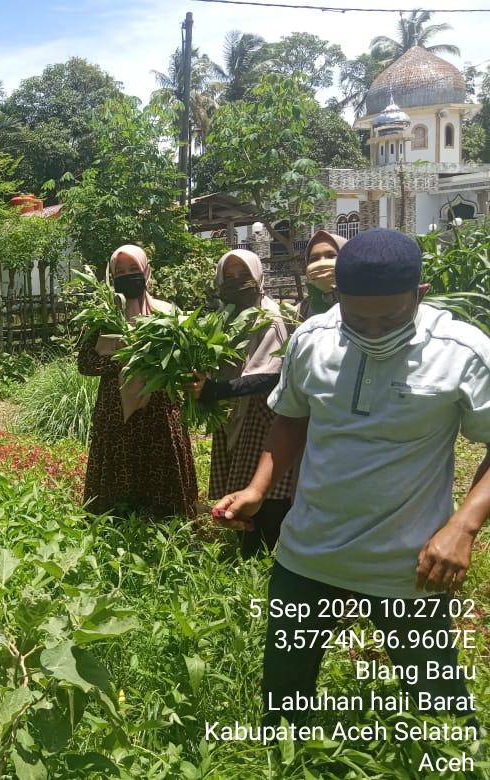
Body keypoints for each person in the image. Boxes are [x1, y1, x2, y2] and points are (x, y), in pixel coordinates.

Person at [214, 228, 490, 728]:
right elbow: (291, 418)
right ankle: (289, 758)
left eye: (390, 317)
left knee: (443, 710)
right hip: (307, 554)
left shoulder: (462, 351)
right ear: (337, 294)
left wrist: (463, 527)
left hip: (407, 568)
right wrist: (257, 489)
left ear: (420, 294)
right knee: (284, 701)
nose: (374, 331)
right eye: (358, 317)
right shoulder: (311, 339)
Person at [77, 244, 198, 518]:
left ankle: (166, 519)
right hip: (115, 408)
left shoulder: (166, 313)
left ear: (146, 271)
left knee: (160, 459)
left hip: (160, 408)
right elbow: (85, 363)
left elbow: (185, 359)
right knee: (120, 461)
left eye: (133, 269)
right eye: (120, 271)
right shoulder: (104, 317)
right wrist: (123, 360)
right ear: (111, 276)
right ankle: (116, 519)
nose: (127, 276)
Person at [190, 250, 296, 557]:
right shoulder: (226, 317)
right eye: (229, 276)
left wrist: (217, 390)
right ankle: (248, 543)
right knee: (242, 479)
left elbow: (270, 376)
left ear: (258, 277)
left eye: (243, 275)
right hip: (236, 409)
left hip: (262, 414)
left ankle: (262, 549)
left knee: (263, 484)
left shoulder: (269, 316)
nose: (236, 282)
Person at [299, 230, 347, 320]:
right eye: (314, 259)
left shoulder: (362, 303)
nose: (321, 263)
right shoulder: (302, 310)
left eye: (331, 256)